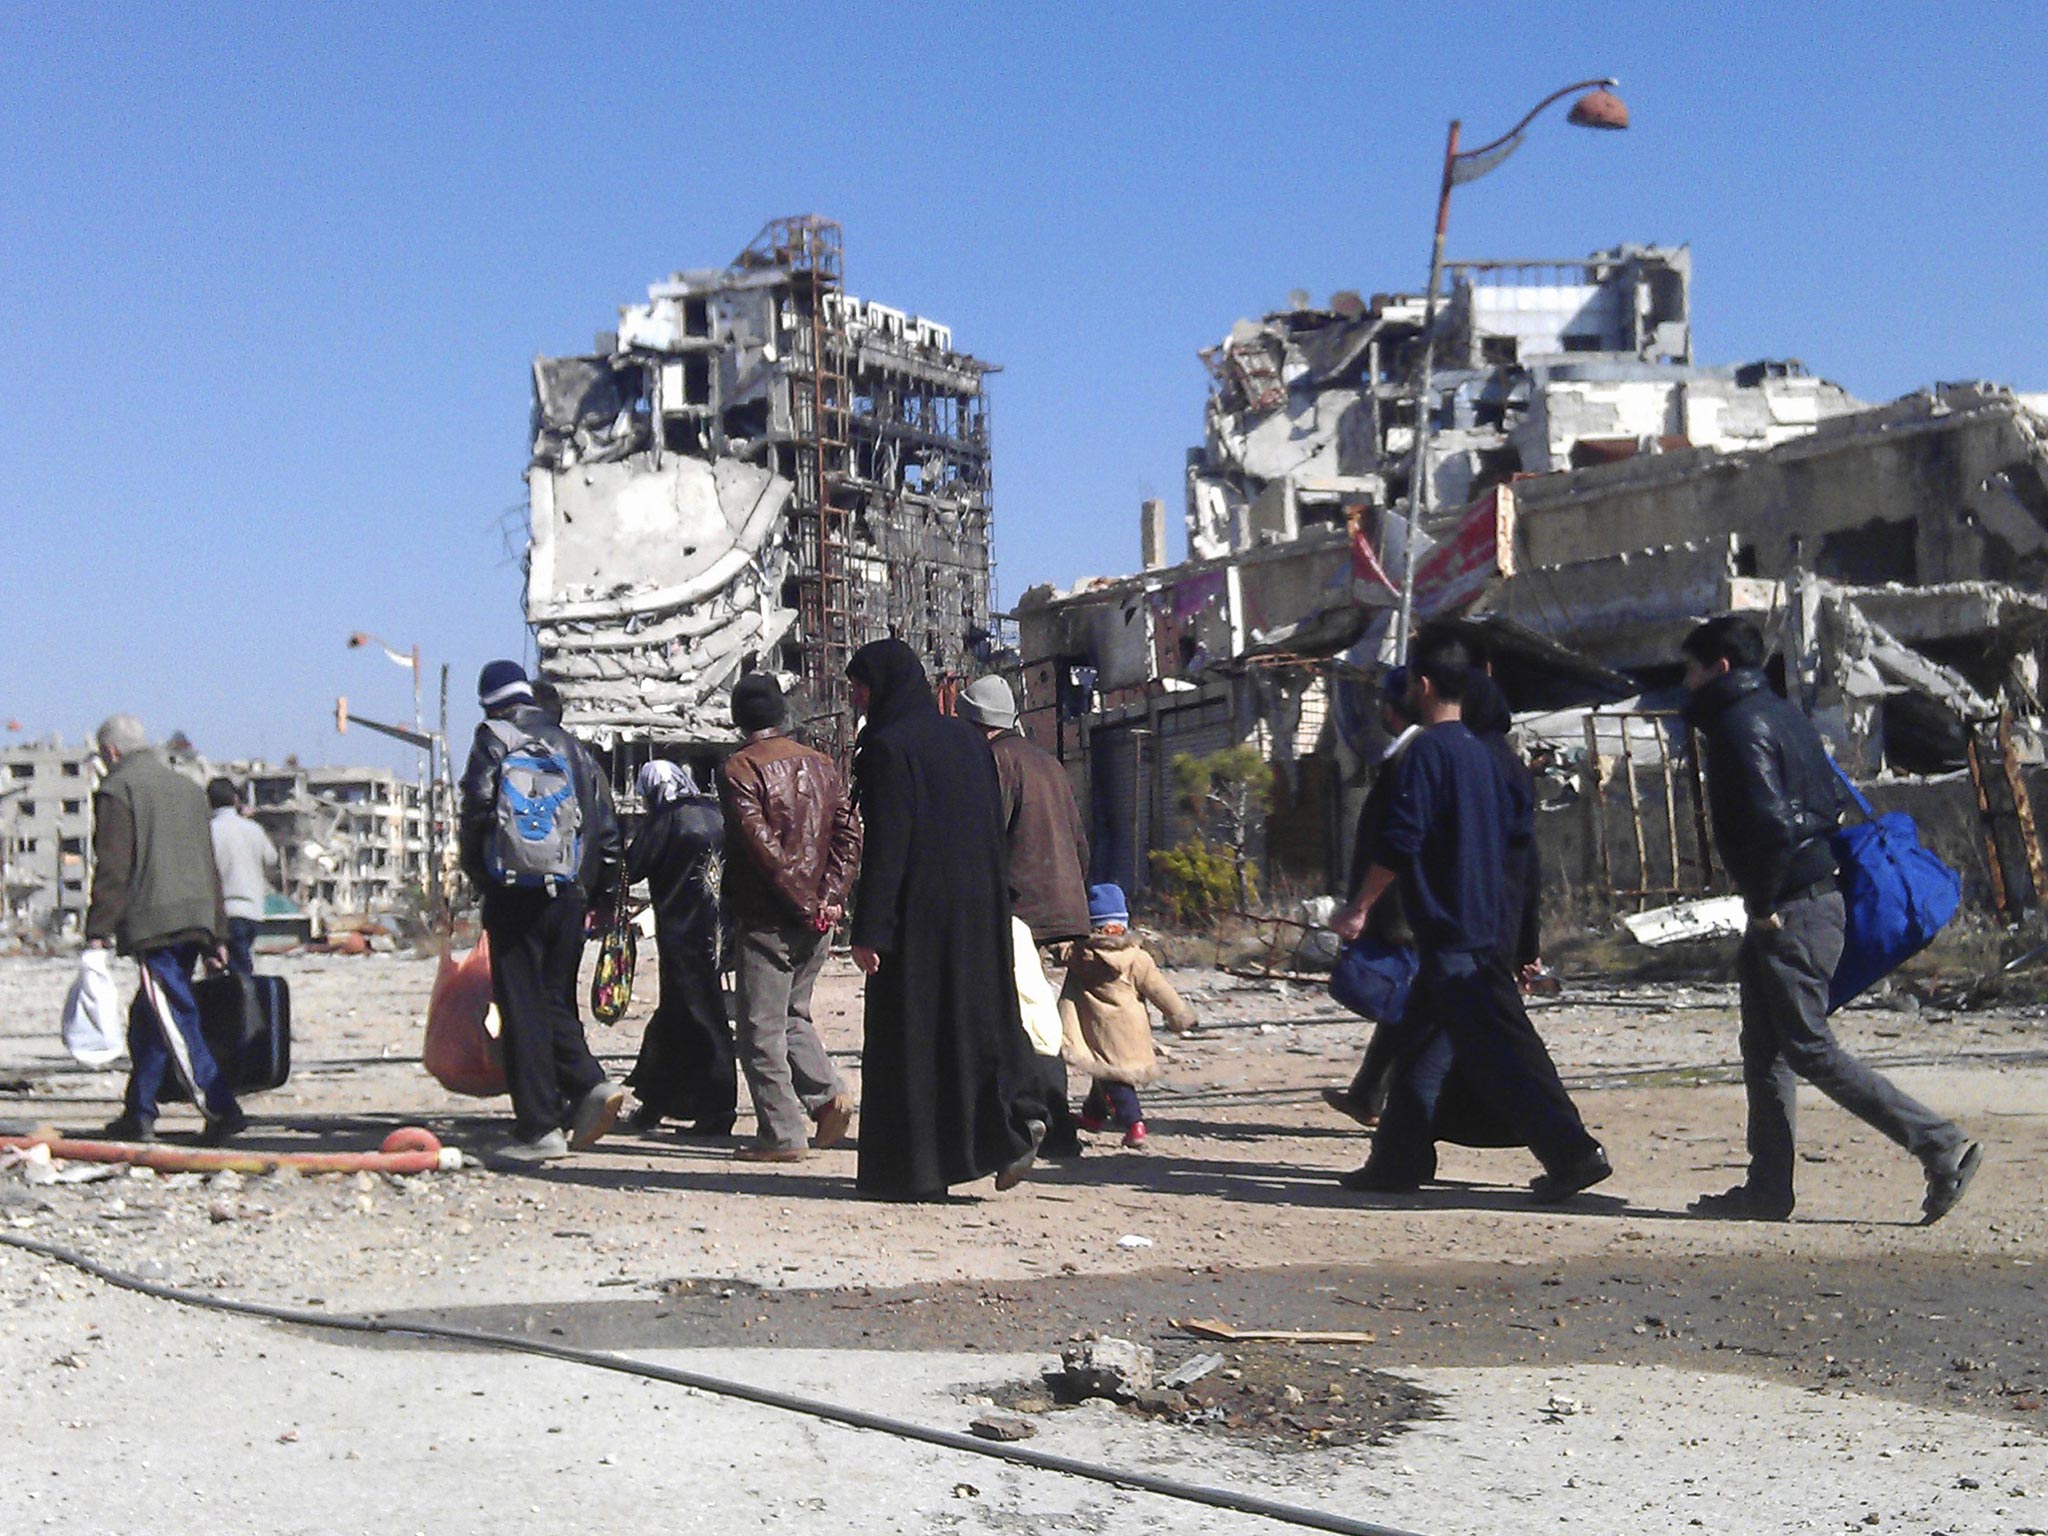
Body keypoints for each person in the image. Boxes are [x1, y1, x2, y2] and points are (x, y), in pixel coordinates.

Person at [1679, 615, 1980, 1223]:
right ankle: (1767, 1190)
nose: (1682, 681)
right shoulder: (1784, 715)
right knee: (1766, 1049)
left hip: (1789, 906)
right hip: (1807, 898)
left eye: (1690, 667)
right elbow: (1826, 802)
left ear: (1721, 668)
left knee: (1810, 1048)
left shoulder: (1739, 726)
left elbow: (1770, 823)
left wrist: (1762, 904)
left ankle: (1940, 1144)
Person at [1330, 631, 1610, 1201]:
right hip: (1480, 930)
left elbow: (1400, 840)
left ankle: (1573, 1153)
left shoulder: (1426, 753)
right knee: (1420, 1044)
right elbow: (1520, 854)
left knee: (1503, 1054)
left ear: (1423, 686)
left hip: (1454, 935)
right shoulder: (1491, 759)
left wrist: (1359, 908)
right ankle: (1398, 1160)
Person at [845, 639, 1044, 1199]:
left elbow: (891, 844)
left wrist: (872, 928)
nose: (856, 697)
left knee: (913, 1038)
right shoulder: (965, 738)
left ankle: (915, 1171)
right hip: (977, 910)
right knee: (970, 1028)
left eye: (860, 685)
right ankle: (1002, 1136)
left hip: (919, 919)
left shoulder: (887, 746)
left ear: (882, 686)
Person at [458, 661, 625, 1163]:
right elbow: (609, 830)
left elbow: (476, 812)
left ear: (490, 700)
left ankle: (541, 1126)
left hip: (515, 892)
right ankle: (584, 1090)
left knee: (522, 1006)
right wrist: (598, 896)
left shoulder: (494, 737)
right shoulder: (574, 748)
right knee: (553, 998)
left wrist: (481, 879)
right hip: (569, 892)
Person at [717, 674, 860, 1163]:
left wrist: (805, 902)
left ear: (739, 718)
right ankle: (826, 1096)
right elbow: (848, 835)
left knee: (759, 1029)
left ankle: (781, 1133)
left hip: (768, 917)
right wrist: (831, 898)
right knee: (794, 1014)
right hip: (817, 917)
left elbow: (764, 850)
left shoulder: (739, 768)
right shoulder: (822, 764)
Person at [87, 716, 246, 1144]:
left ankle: (221, 1107)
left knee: (175, 1014)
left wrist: (98, 928)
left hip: (155, 921)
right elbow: (207, 865)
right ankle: (138, 1111)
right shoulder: (190, 789)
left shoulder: (118, 790)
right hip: (196, 918)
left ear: (113, 753)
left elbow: (113, 865)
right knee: (149, 1017)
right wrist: (217, 933)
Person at [956, 673, 1089, 1157]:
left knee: (1024, 1016)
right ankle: (1049, 1121)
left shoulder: (994, 761)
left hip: (1018, 906)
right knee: (1037, 1015)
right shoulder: (1047, 762)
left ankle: (1043, 1121)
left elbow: (987, 839)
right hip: (1061, 898)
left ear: (975, 723)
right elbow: (1078, 838)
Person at [1323, 666, 1421, 1127]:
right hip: (1402, 911)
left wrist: (1362, 906)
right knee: (1405, 1006)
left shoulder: (1413, 760)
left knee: (1415, 1008)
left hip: (1407, 912)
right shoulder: (1401, 757)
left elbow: (1399, 842)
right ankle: (1369, 1096)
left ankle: (1409, 1110)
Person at [621, 759, 737, 1138]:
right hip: (719, 932)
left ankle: (718, 1109)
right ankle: (656, 1103)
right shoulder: (716, 813)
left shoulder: (667, 820)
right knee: (680, 1015)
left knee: (699, 1015)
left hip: (681, 933)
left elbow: (632, 867)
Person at [1058, 883, 1196, 1148]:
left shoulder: (1079, 954)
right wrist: (1179, 1015)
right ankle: (1093, 1116)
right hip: (1130, 1029)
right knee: (1106, 1072)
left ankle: (1135, 1124)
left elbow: (1058, 947)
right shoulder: (1138, 958)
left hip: (1096, 1028)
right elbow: (1159, 990)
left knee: (1115, 1078)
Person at [206, 776, 278, 977]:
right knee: (242, 966)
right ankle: (247, 1004)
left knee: (218, 970)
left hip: (220, 912)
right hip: (251, 910)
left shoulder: (208, 830)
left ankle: (234, 1006)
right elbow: (271, 859)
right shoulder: (254, 829)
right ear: (236, 799)